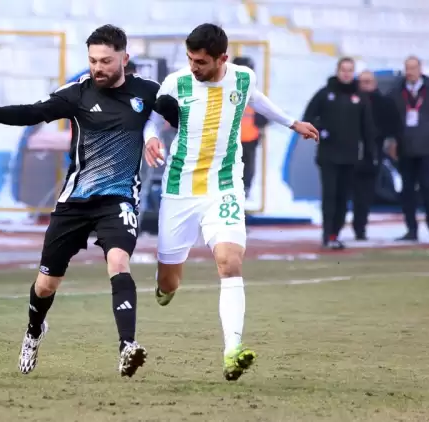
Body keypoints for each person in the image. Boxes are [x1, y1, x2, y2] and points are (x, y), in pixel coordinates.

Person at [0, 25, 160, 378]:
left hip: (118, 199)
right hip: (75, 202)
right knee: (46, 284)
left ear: (124, 59)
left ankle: (127, 346)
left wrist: (156, 138)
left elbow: (179, 116)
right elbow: (32, 112)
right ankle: (33, 330)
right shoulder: (76, 94)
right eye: (92, 60)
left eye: (106, 61)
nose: (97, 67)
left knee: (118, 262)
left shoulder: (149, 93)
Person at [143, 23, 319, 381]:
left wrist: (292, 123)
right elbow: (151, 119)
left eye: (202, 61)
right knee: (170, 281)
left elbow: (258, 100)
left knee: (229, 262)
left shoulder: (242, 78)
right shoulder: (177, 83)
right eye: (191, 59)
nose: (194, 66)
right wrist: (150, 139)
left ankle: (232, 350)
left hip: (224, 185)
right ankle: (164, 287)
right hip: (180, 188)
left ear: (222, 58)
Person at [302, 57, 375, 249]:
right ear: (337, 70)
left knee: (344, 197)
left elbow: (367, 129)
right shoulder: (325, 94)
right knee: (330, 195)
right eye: (344, 70)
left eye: (350, 70)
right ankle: (327, 234)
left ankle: (335, 233)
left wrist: (370, 154)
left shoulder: (360, 97)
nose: (346, 74)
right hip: (328, 155)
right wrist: (321, 131)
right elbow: (308, 118)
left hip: (350, 157)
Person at [387, 56, 429, 241]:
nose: (410, 72)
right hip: (405, 148)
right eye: (407, 68)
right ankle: (411, 229)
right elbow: (390, 120)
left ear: (420, 69)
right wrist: (392, 141)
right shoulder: (396, 92)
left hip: (428, 148)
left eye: (413, 68)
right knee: (408, 190)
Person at [353, 70, 401, 240]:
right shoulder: (350, 101)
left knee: (365, 193)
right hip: (349, 153)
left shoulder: (384, 103)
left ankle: (360, 228)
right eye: (362, 81)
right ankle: (333, 229)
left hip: (371, 154)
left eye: (369, 81)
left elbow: (393, 125)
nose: (365, 85)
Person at [231, 57, 269, 198]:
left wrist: (262, 118)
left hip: (249, 139)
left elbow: (266, 114)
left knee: (246, 170)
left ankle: (244, 190)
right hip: (229, 140)